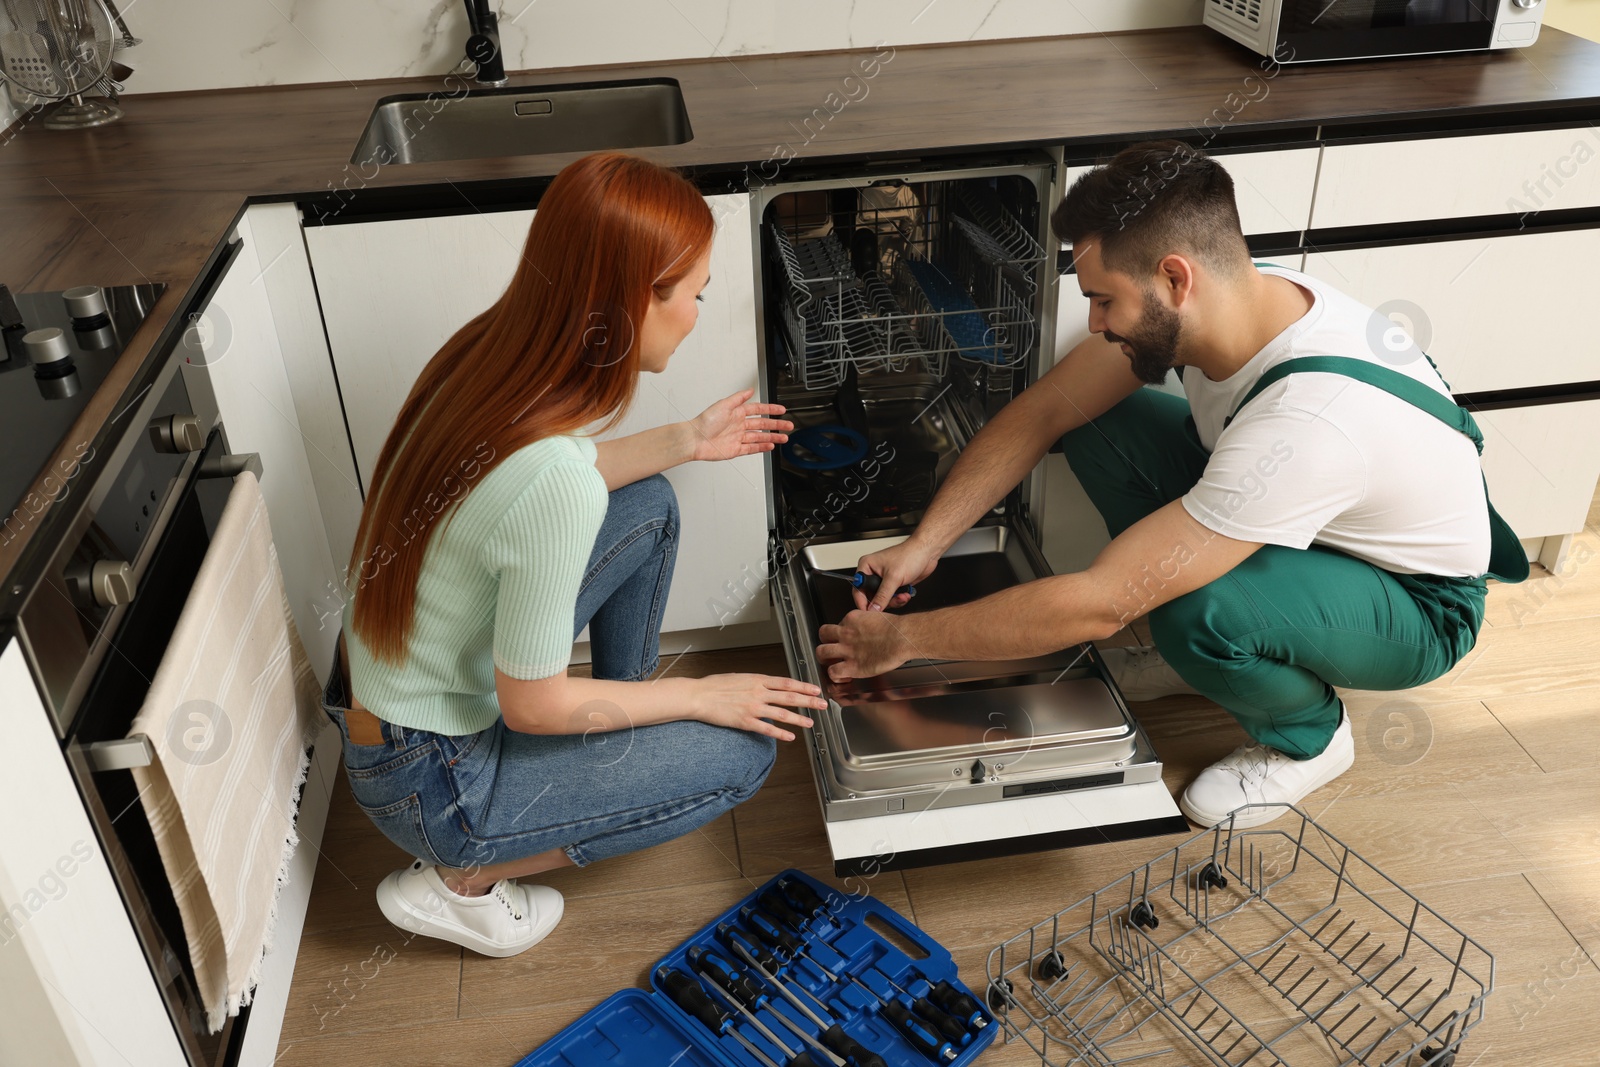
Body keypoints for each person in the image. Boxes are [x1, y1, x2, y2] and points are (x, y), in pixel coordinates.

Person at [816, 141, 1525, 830]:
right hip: (1314, 520)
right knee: (1092, 424)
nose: (1091, 323)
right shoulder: (1239, 295)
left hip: (1417, 602)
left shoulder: (1307, 424)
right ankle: (1201, 628)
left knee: (1201, 614)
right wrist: (924, 546)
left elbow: (1099, 605)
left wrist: (904, 640)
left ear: (1175, 279)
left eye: (1103, 300)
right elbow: (1041, 413)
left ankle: (1311, 736)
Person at [322, 152, 828, 958]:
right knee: (741, 750)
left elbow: (543, 482)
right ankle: (462, 880)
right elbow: (530, 704)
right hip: (437, 781)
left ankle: (611, 739)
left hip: (387, 705)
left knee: (650, 503)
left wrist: (688, 440)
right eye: (693, 288)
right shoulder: (554, 483)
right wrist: (699, 695)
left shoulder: (485, 355)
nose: (701, 306)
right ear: (638, 301)